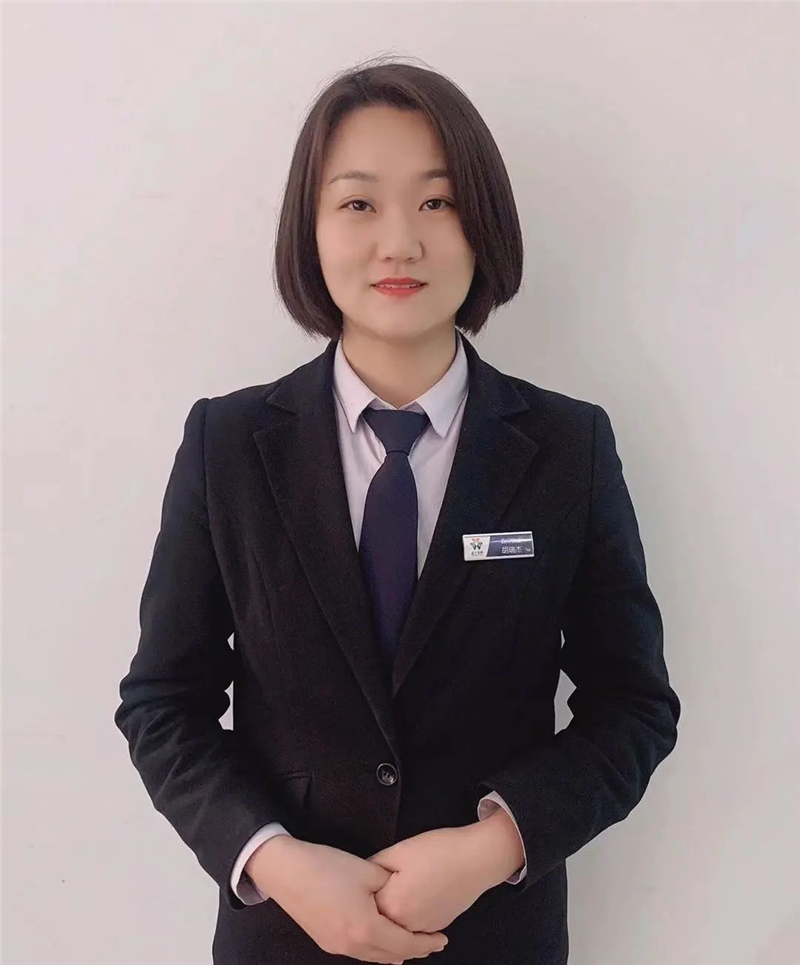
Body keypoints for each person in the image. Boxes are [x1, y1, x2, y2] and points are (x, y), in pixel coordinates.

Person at [114, 57, 680, 965]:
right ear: (310, 229)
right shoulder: (227, 445)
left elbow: (634, 705)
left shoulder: (568, 447)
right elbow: (162, 703)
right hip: (282, 939)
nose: (399, 242)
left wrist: (494, 845)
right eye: (358, 203)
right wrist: (278, 862)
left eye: (437, 202)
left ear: (483, 223)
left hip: (494, 936)